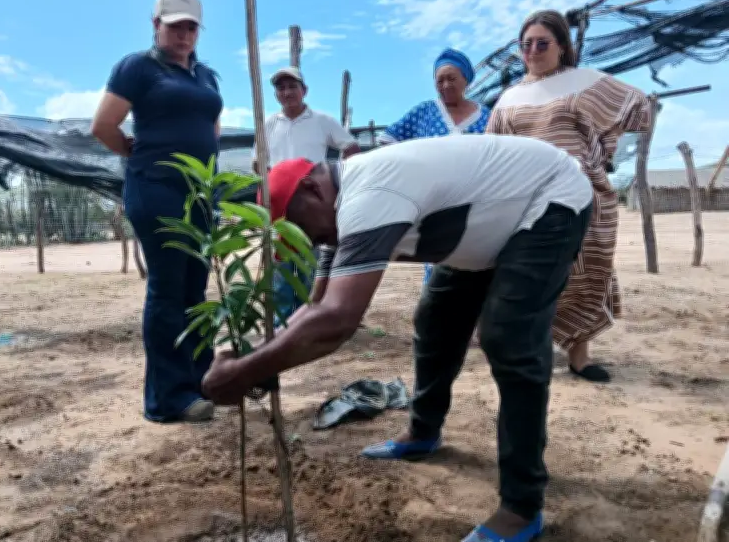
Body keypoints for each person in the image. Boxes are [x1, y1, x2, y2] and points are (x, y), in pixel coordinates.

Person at [202, 133, 596, 542]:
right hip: (485, 228)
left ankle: (521, 507)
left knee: (508, 338)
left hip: (547, 200)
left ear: (312, 190)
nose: (311, 241)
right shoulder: (332, 213)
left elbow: (337, 321)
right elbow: (314, 306)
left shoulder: (369, 194)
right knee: (435, 323)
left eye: (300, 227)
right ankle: (423, 434)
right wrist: (256, 358)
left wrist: (243, 373)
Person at [486, 9, 652, 384]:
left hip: (579, 195)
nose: (532, 51)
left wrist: (605, 154)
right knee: (529, 274)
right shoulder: (509, 98)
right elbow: (494, 147)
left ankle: (580, 355)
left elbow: (638, 106)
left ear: (561, 46)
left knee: (585, 271)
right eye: (525, 44)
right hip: (525, 201)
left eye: (542, 43)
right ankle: (534, 348)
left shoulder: (584, 82)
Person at [92, 0, 222, 424]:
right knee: (168, 289)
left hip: (199, 192)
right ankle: (169, 398)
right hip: (157, 188)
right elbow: (103, 125)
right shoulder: (137, 68)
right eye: (175, 27)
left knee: (195, 288)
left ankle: (201, 383)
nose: (184, 35)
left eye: (191, 27)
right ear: (156, 25)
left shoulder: (204, 76)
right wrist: (137, 154)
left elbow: (211, 126)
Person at [254, 66, 361, 325]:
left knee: (308, 260)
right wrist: (271, 185)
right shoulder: (269, 123)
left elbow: (351, 147)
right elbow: (259, 162)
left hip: (311, 204)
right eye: (281, 88)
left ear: (304, 90)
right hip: (280, 205)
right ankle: (282, 322)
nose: (287, 92)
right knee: (279, 261)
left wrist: (342, 182)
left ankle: (303, 320)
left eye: (292, 86)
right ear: (276, 94)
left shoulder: (321, 120)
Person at [376, 48, 491, 285]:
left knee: (476, 265)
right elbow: (388, 141)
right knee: (438, 265)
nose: (446, 85)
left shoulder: (486, 116)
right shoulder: (426, 112)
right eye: (440, 80)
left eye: (452, 78)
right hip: (436, 204)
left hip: (477, 204)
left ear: (466, 79)